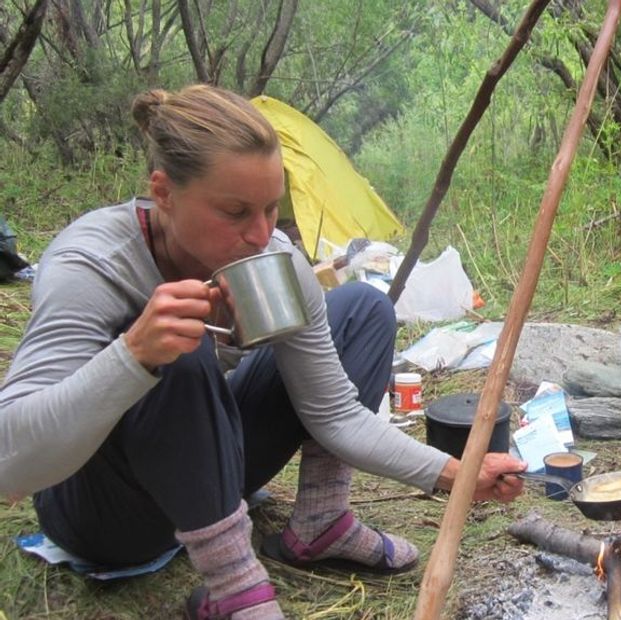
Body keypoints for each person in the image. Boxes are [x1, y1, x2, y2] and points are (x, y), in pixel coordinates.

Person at [0, 84, 527, 618]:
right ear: (163, 193)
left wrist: (458, 473)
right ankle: (236, 593)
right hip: (106, 516)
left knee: (363, 310)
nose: (260, 235)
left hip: (207, 480)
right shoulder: (92, 264)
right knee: (181, 350)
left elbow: (336, 414)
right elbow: (9, 465)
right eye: (234, 212)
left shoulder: (273, 260)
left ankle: (321, 520)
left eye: (272, 208)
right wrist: (133, 355)